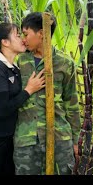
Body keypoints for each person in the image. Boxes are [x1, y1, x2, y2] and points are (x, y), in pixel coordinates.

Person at [0, 23, 45, 175]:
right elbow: (3, 109)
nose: (22, 39)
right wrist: (29, 90)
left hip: (8, 139)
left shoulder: (13, 68)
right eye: (18, 35)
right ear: (5, 42)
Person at [14, 12, 81, 175]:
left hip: (59, 138)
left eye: (26, 34)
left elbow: (71, 103)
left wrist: (75, 140)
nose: (23, 39)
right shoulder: (20, 61)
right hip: (27, 139)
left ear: (42, 33)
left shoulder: (65, 63)